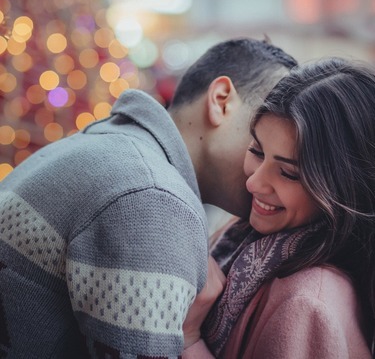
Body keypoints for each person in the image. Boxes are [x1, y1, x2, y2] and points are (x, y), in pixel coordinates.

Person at [0, 38, 297, 358]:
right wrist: (190, 338)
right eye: (263, 135)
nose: (275, 163)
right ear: (221, 101)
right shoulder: (153, 199)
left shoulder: (112, 149)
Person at [187, 57, 375, 358]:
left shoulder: (309, 302)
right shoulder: (244, 239)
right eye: (257, 151)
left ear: (345, 188)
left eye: (289, 173)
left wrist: (189, 339)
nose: (254, 184)